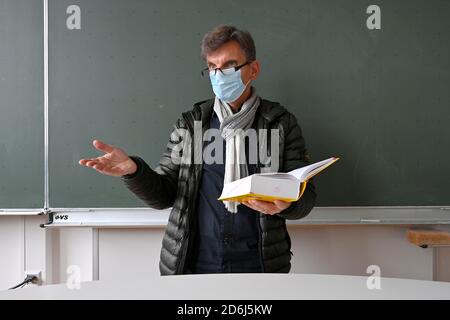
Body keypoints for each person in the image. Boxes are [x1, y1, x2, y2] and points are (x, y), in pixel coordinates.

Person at [79, 25, 316, 275]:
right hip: (193, 264)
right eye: (213, 67)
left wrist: (286, 205)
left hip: (260, 265)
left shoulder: (280, 123)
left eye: (229, 65)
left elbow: (306, 196)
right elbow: (164, 195)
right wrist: (133, 171)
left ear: (253, 69)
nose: (219, 75)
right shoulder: (191, 124)